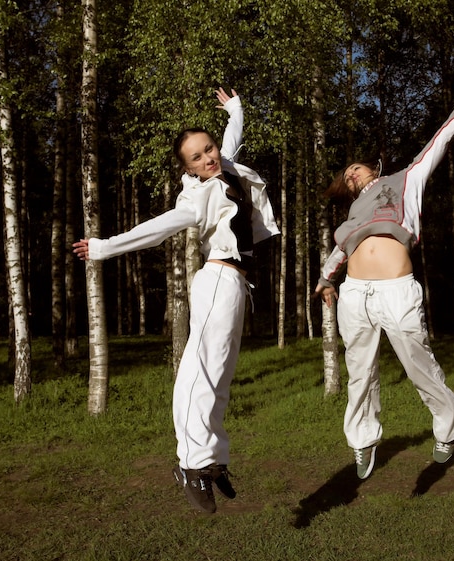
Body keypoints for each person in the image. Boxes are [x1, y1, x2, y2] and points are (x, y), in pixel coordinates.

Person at [73, 87, 279, 513]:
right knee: (199, 372)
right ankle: (191, 464)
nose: (209, 158)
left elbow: (232, 139)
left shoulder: (228, 169)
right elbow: (158, 227)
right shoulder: (198, 194)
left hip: (238, 285)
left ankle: (213, 462)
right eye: (197, 158)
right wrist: (102, 247)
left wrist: (236, 109)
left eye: (210, 149)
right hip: (218, 279)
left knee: (219, 378)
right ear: (189, 169)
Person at [314, 86, 454, 479]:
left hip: (395, 289)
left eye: (356, 167)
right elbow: (343, 247)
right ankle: (363, 440)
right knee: (359, 370)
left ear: (375, 166)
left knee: (418, 360)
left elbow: (440, 139)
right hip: (355, 294)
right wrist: (325, 279)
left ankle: (449, 424)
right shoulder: (354, 212)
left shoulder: (405, 179)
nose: (351, 174)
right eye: (346, 175)